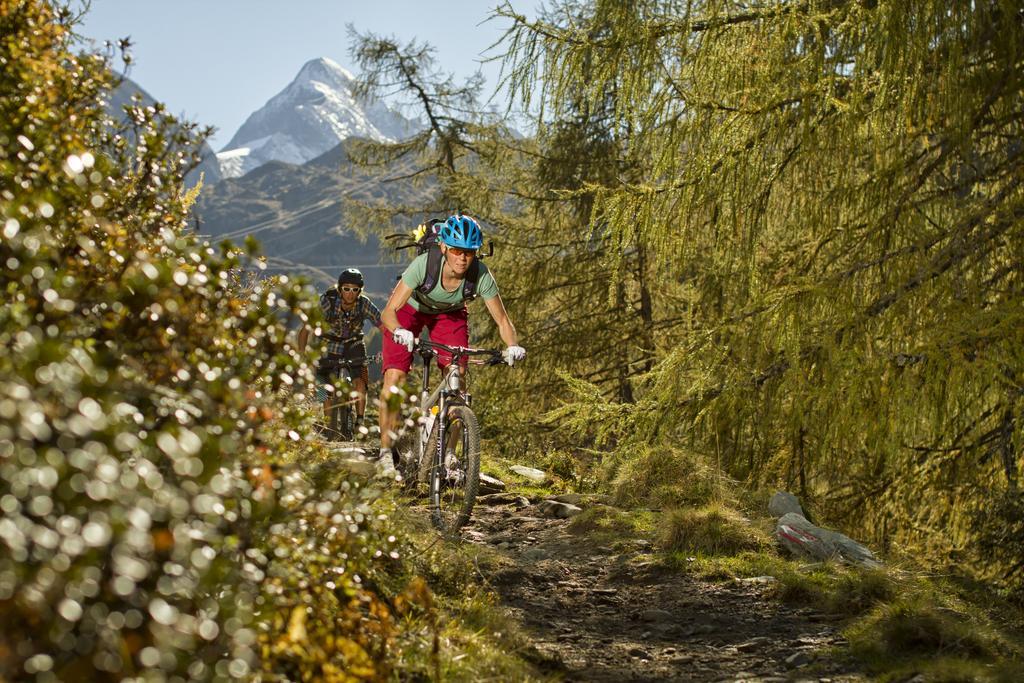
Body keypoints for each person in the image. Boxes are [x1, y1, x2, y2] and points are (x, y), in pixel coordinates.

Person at [376, 214, 526, 479]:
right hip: (410, 311)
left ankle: (449, 456)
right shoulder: (424, 265)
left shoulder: (480, 274)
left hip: (450, 314)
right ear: (444, 247)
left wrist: (512, 345)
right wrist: (399, 331)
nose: (462, 258)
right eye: (456, 250)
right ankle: (385, 453)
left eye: (469, 252)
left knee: (457, 379)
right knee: (395, 376)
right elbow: (389, 312)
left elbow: (503, 320)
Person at [298, 268, 383, 432]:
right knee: (323, 387)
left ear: (360, 291)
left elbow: (382, 326)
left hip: (354, 344)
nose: (350, 293)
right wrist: (302, 355)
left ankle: (359, 421)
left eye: (355, 289)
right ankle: (327, 424)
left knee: (361, 381)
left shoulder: (364, 303)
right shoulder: (327, 301)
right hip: (328, 345)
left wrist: (386, 349)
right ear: (339, 289)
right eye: (346, 289)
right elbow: (305, 329)